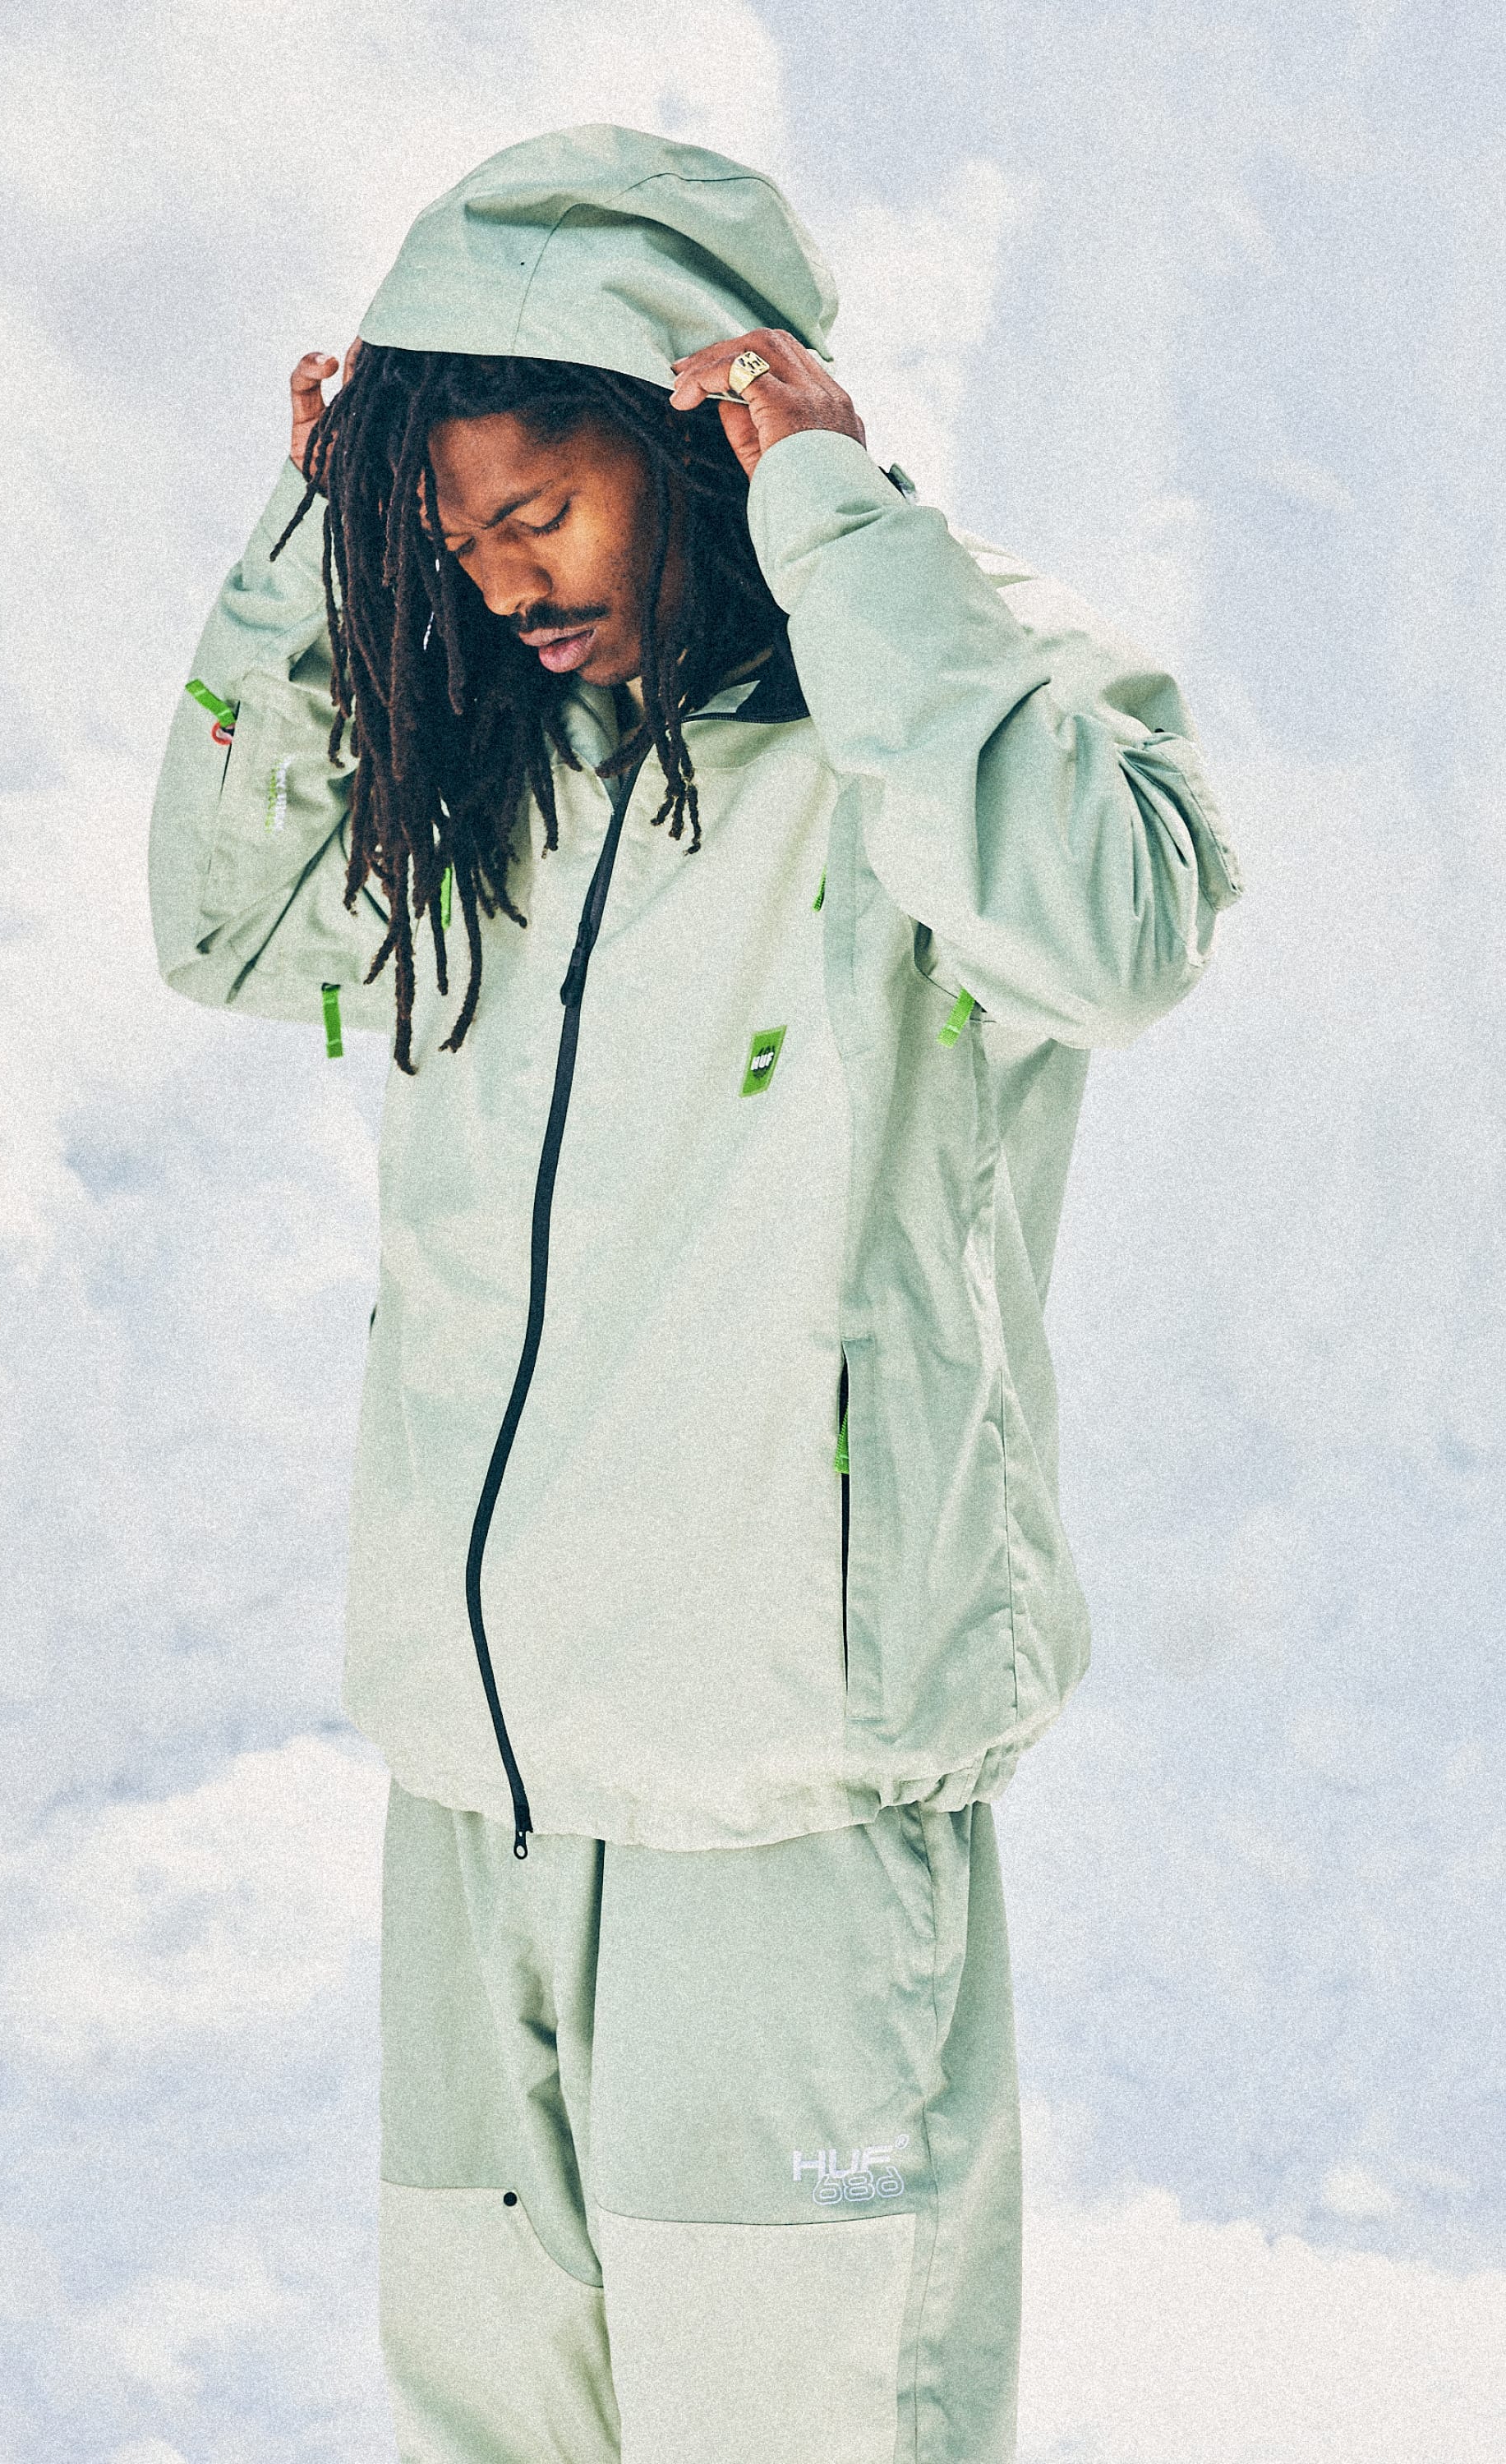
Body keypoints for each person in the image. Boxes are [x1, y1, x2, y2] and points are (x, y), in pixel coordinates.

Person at [149, 122, 1241, 2464]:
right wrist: (294, 555)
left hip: (781, 1801)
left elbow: (1110, 929)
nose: (503, 577)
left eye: (540, 508)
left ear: (691, 439)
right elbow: (228, 925)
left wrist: (840, 532)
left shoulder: (944, 713)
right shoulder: (502, 786)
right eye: (451, 534)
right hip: (483, 1793)